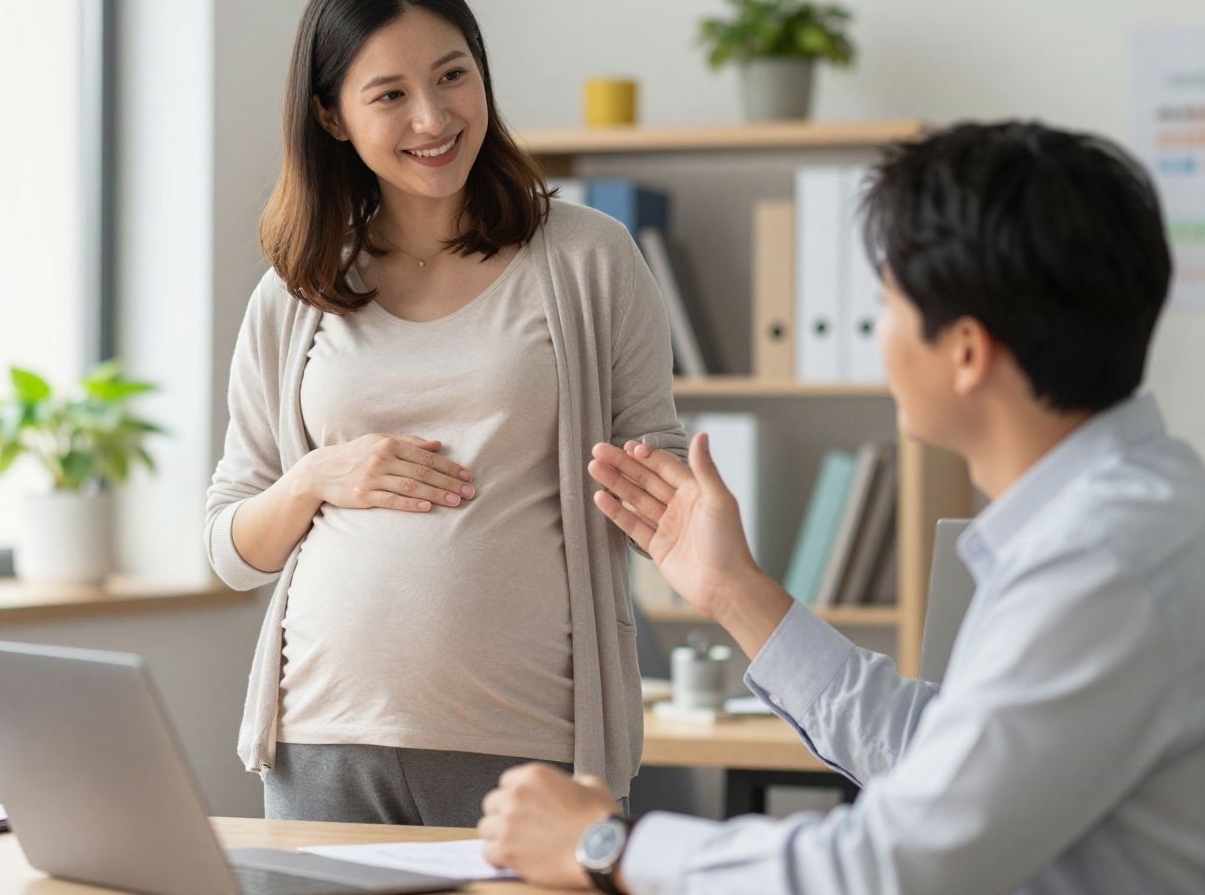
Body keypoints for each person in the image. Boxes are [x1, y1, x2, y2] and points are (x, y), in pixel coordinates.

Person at [477, 120, 1205, 893]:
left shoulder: (1100, 561)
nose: (878, 336)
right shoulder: (1130, 512)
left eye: (886, 305)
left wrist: (607, 848)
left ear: (965, 351)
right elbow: (944, 760)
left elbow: (891, 862)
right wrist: (732, 588)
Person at [204, 0, 686, 828]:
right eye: (388, 94)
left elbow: (665, 480)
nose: (433, 117)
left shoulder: (587, 258)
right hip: (322, 737)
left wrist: (664, 495)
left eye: (452, 75)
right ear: (331, 115)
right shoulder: (295, 289)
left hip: (535, 744)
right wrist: (316, 478)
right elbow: (231, 547)